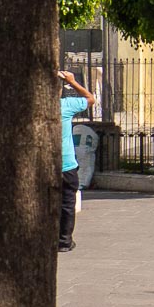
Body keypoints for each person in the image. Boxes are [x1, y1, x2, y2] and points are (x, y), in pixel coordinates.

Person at [56, 70, 95, 253]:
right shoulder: (65, 105)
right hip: (66, 164)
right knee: (67, 203)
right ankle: (64, 241)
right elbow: (90, 99)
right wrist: (72, 82)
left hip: (42, 165)